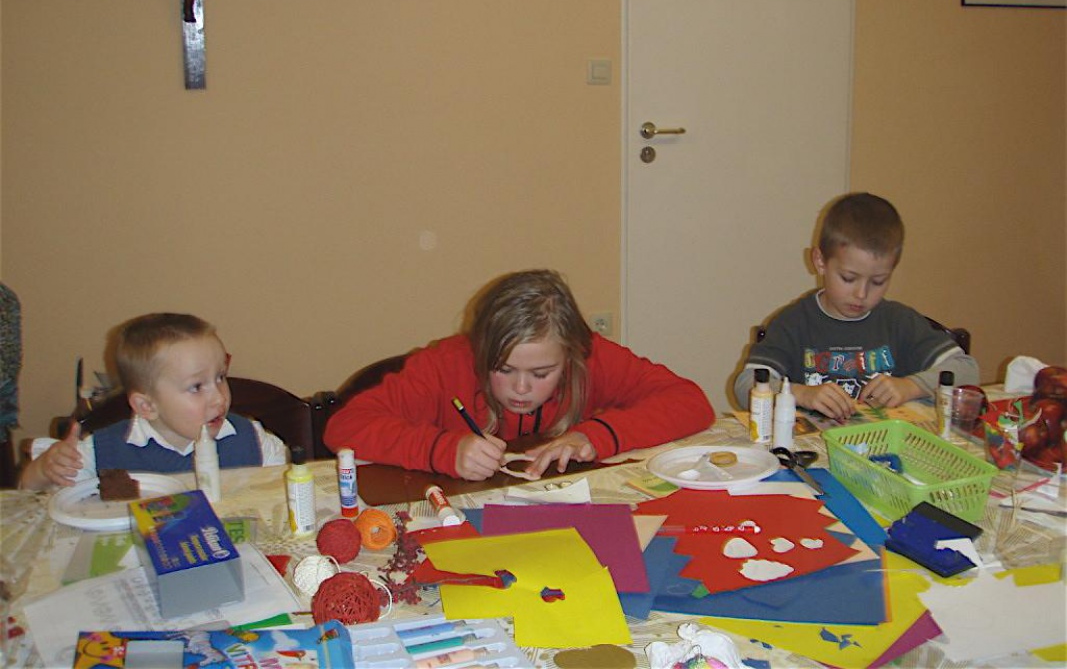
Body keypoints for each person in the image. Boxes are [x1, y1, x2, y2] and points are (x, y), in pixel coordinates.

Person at [324, 269, 715, 481]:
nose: (521, 388)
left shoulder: (590, 358)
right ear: (480, 351)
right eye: (503, 369)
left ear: (570, 357)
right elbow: (344, 428)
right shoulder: (446, 365)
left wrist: (594, 435)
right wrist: (444, 450)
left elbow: (690, 402)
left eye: (542, 373)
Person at [733, 192, 979, 422]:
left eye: (878, 281)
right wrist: (800, 394)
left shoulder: (898, 321)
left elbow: (967, 370)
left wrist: (911, 386)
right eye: (849, 278)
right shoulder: (794, 323)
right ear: (820, 261)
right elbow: (746, 386)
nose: (861, 294)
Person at [19, 313, 286, 491]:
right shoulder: (102, 451)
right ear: (147, 406)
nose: (219, 397)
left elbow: (289, 489)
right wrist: (41, 471)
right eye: (196, 387)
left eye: (220, 377)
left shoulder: (253, 440)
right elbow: (28, 499)